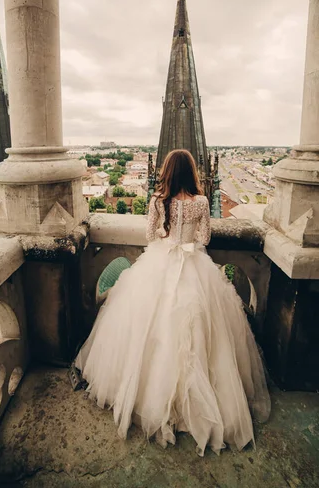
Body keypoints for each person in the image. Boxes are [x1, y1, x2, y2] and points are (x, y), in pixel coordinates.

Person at [75, 149, 270, 456]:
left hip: (162, 261)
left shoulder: (157, 201)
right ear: (192, 173)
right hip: (194, 264)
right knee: (200, 333)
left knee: (151, 329)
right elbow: (204, 238)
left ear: (167, 171)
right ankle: (198, 404)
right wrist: (187, 239)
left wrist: (168, 235)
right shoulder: (202, 202)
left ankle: (151, 400)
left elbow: (150, 234)